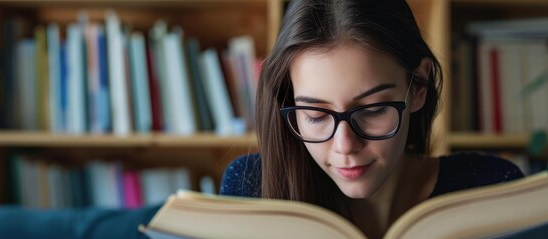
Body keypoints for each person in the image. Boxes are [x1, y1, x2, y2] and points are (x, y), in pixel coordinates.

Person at [219, 0, 524, 238]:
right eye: (314, 115)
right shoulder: (251, 187)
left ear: (418, 86)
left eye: (373, 110)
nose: (345, 145)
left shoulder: (490, 187)